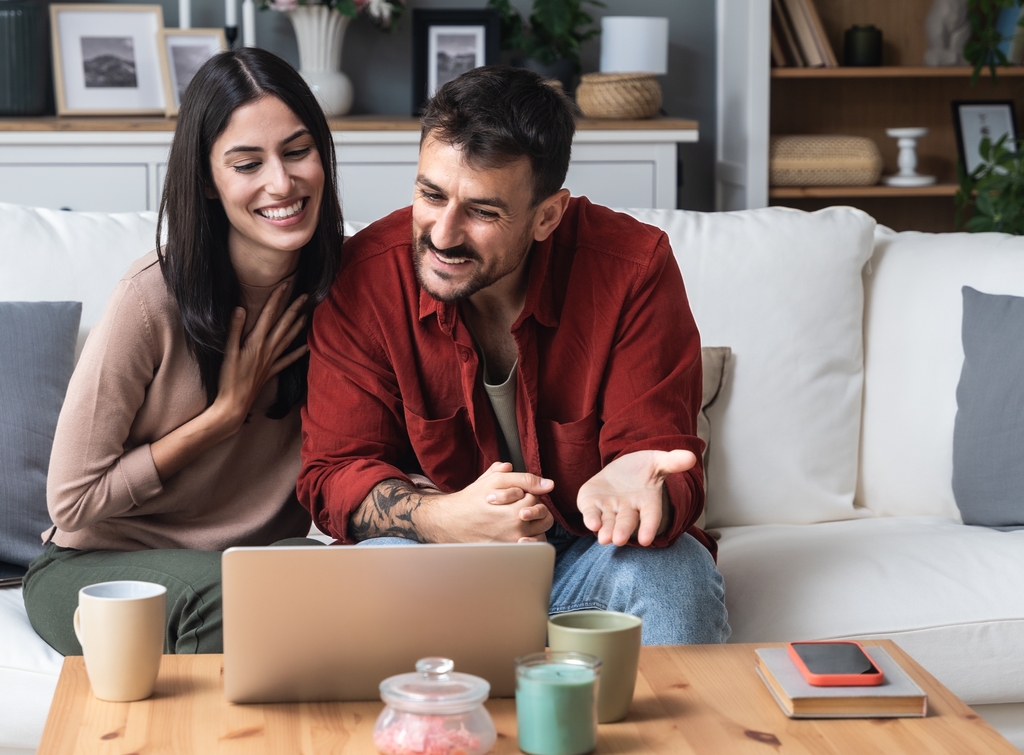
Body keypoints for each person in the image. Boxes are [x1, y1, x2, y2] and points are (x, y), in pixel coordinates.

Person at [298, 66, 729, 645]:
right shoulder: (365, 277)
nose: (443, 234)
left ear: (548, 215)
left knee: (673, 571)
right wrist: (443, 518)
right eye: (431, 195)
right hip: (442, 560)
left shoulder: (633, 268)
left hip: (590, 554)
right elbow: (333, 472)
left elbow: (660, 464)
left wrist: (645, 491)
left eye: (482, 211)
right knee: (375, 565)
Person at [23, 48, 344, 655]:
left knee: (329, 574)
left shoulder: (344, 291)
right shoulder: (151, 298)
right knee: (231, 601)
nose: (282, 183)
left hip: (250, 566)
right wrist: (222, 416)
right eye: (247, 163)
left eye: (297, 151)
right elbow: (73, 499)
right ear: (207, 179)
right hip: (96, 567)